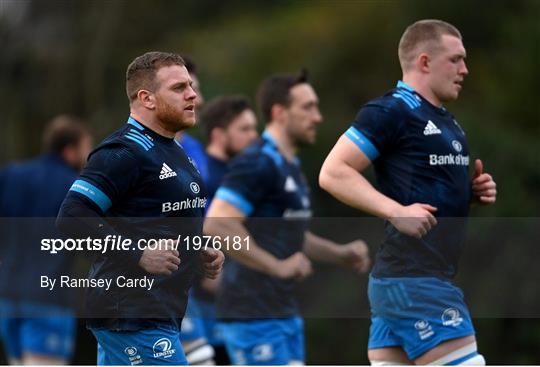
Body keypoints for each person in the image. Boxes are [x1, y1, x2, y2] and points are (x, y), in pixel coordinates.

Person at [319, 19, 497, 365]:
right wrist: (395, 211)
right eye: (456, 59)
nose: (465, 69)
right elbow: (333, 172)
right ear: (425, 62)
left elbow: (424, 191)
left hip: (404, 282)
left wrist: (467, 193)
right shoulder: (392, 110)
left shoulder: (450, 123)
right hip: (417, 281)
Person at [56, 51, 224, 366]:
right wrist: (139, 254)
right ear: (146, 98)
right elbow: (72, 216)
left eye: (190, 85)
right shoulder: (123, 152)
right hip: (134, 314)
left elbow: (156, 218)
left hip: (157, 312)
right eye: (179, 88)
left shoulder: (176, 151)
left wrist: (198, 248)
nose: (193, 95)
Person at [205, 71, 370, 365]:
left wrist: (339, 254)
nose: (317, 117)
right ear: (280, 113)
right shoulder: (257, 162)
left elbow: (290, 234)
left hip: (283, 311)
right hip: (251, 314)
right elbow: (217, 224)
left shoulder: (289, 166)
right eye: (307, 107)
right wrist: (277, 266)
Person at [0, 115, 92, 365]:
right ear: (70, 150)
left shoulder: (9, 176)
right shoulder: (74, 188)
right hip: (48, 300)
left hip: (7, 298)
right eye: (86, 149)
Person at [180, 95, 258, 365]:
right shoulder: (203, 174)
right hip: (207, 293)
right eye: (245, 129)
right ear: (219, 135)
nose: (254, 136)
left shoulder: (242, 173)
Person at [174, 56, 208, 181]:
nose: (199, 100)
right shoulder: (129, 152)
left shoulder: (195, 146)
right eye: (191, 90)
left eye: (195, 90)